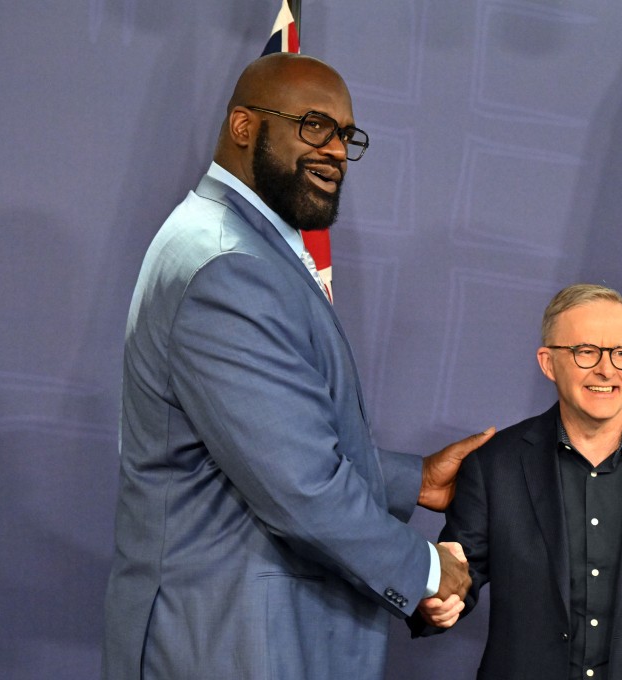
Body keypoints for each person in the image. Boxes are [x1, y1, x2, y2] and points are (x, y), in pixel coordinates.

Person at [101, 53, 493, 680]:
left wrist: (411, 481)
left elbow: (264, 435)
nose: (336, 150)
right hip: (224, 643)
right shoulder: (227, 265)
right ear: (243, 126)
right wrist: (425, 568)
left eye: (345, 135)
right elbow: (299, 487)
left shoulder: (236, 242)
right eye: (314, 125)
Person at [412, 284, 622, 680]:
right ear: (548, 363)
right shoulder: (495, 464)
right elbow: (457, 576)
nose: (607, 369)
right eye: (586, 352)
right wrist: (436, 600)